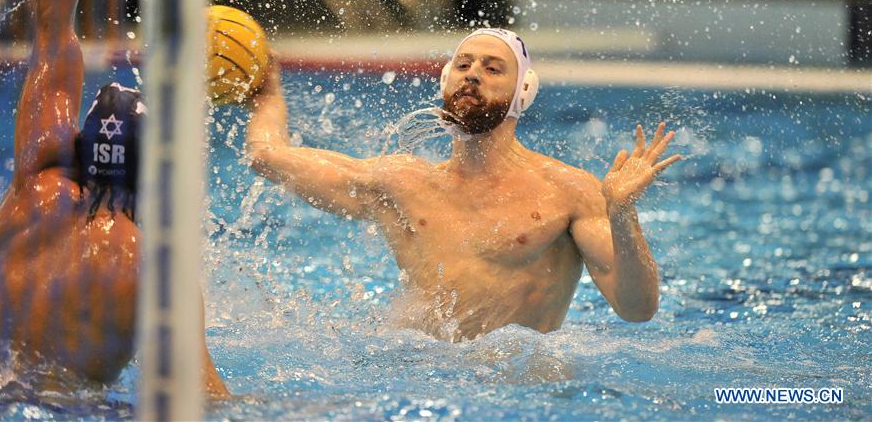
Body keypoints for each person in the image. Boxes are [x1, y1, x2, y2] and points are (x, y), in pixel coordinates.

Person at [247, 28, 682, 342]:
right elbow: (268, 157)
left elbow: (637, 309)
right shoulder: (399, 182)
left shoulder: (568, 192)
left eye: (493, 69)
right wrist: (267, 90)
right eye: (463, 65)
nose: (473, 74)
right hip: (411, 374)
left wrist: (622, 214)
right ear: (445, 81)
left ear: (522, 93)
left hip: (516, 391)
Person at [0, 0, 228, 396]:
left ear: (81, 149)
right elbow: (200, 400)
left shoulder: (32, 190)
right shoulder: (153, 268)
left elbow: (53, 28)